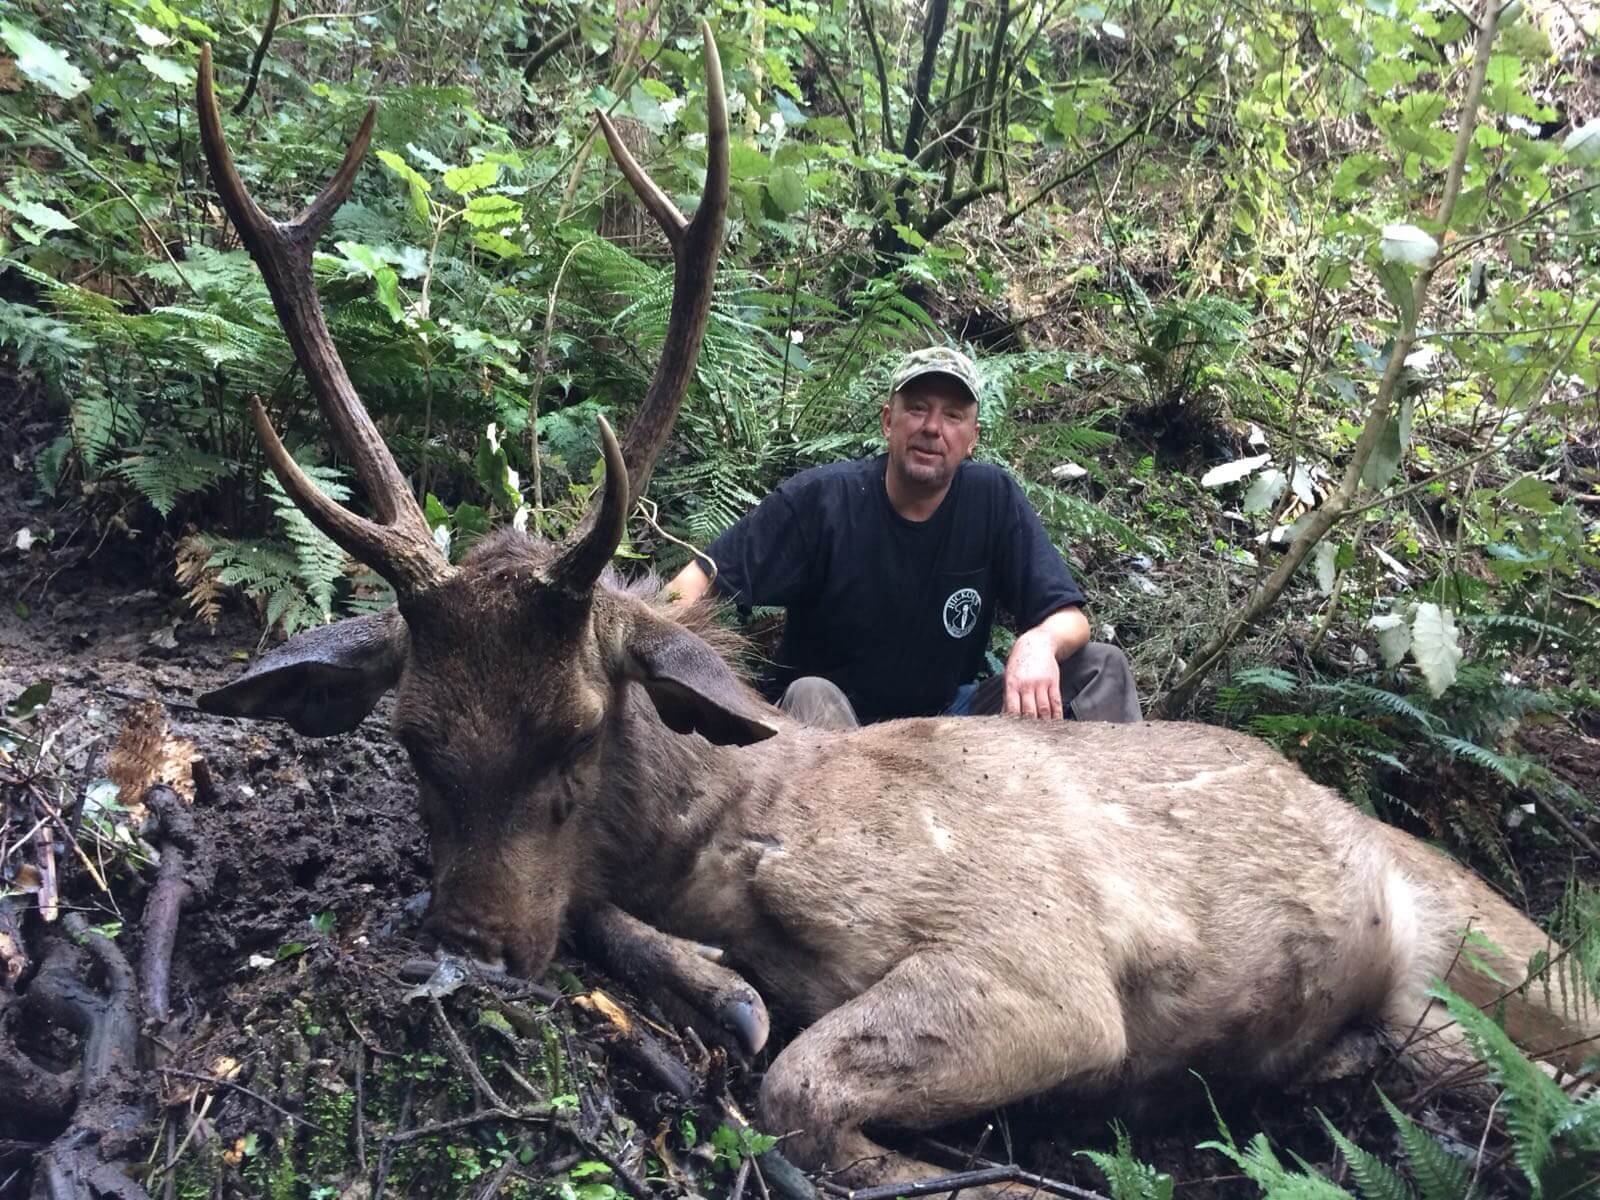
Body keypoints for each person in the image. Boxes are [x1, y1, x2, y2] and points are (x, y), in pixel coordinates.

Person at [665, 346, 1140, 728]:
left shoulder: (991, 499)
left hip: (945, 725)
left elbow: (1071, 619)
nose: (933, 428)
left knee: (1102, 669)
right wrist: (653, 653)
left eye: (953, 415)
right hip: (835, 733)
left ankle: (1116, 835)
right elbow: (702, 577)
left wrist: (1037, 643)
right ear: (888, 422)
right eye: (917, 409)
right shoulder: (824, 501)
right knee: (812, 694)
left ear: (972, 437)